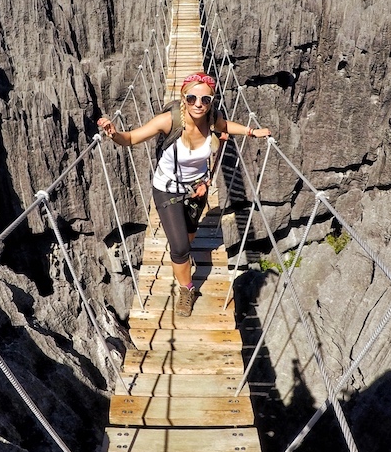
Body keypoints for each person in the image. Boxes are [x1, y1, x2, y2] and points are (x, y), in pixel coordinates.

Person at [97, 73, 271, 316]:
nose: (198, 103)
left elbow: (226, 126)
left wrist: (252, 132)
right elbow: (131, 138)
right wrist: (113, 133)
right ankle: (187, 289)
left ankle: (183, 264)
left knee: (189, 237)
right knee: (180, 248)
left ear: (211, 101)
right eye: (191, 98)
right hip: (166, 190)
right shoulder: (168, 121)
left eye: (205, 99)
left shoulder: (212, 118)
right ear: (183, 99)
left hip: (197, 190)